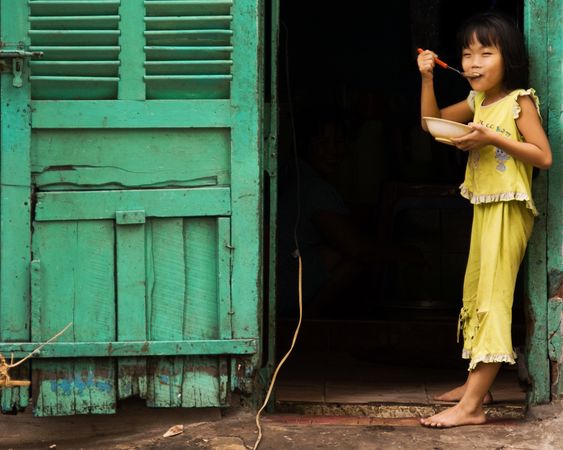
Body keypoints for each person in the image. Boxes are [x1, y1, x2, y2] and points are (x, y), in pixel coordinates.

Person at [417, 11, 552, 428]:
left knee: (494, 299)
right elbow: (431, 123)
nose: (473, 63)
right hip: (483, 205)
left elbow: (543, 156)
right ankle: (477, 385)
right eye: (467, 54)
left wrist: (494, 137)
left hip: (509, 209)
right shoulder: (477, 101)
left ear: (507, 59)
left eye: (486, 53)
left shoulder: (518, 101)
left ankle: (472, 406)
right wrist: (426, 79)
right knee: (476, 292)